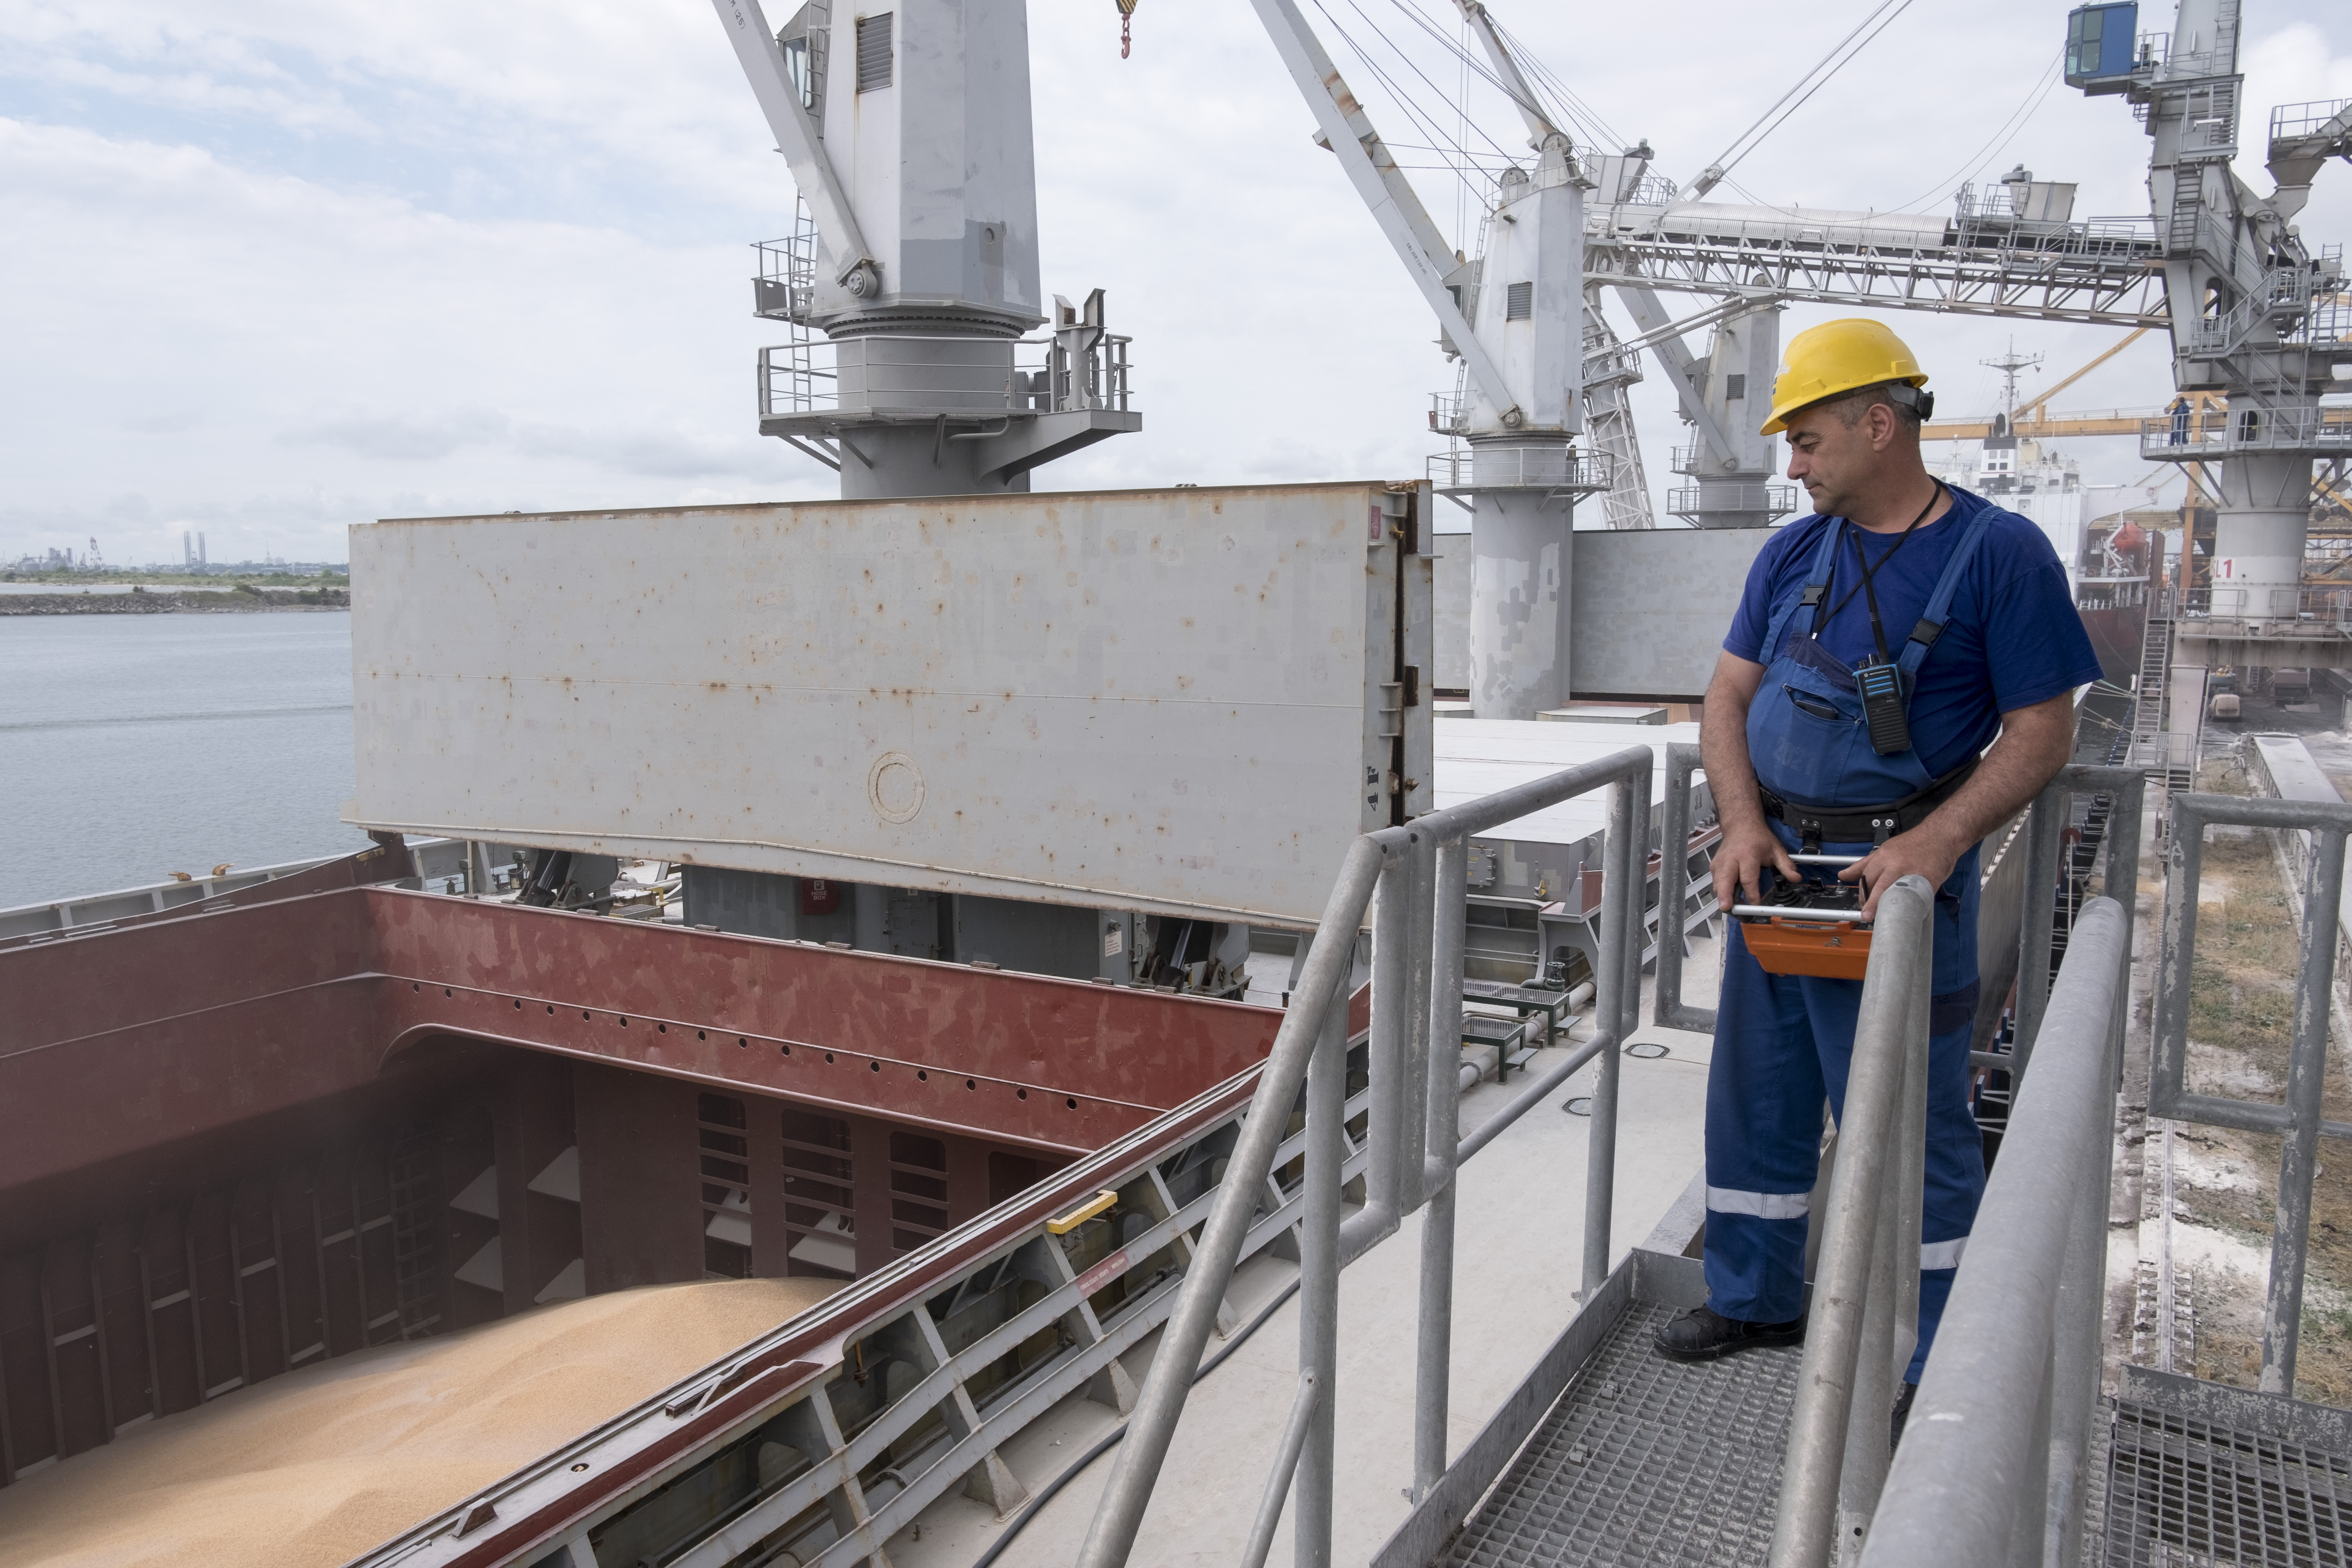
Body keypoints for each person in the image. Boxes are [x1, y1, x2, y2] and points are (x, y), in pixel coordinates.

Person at [1652, 318, 2103, 1444]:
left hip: (1894, 889)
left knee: (1910, 1130)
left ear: (1877, 424)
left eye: (1807, 439)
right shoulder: (1794, 556)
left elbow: (2041, 733)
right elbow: (1725, 697)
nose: (1793, 462)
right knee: (1758, 1100)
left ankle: (1940, 1360)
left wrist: (1938, 845)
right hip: (1781, 873)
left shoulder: (2001, 556)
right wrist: (1741, 822)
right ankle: (1757, 1299)